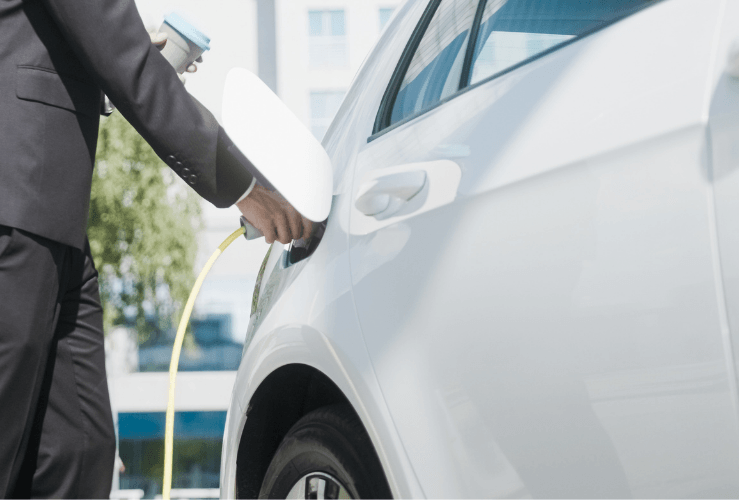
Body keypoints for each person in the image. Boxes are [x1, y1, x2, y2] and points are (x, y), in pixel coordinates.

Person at [0, 0, 312, 496]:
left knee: (80, 448)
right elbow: (122, 55)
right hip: (15, 199)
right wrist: (247, 187)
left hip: (50, 212)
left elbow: (96, 40)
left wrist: (121, 48)